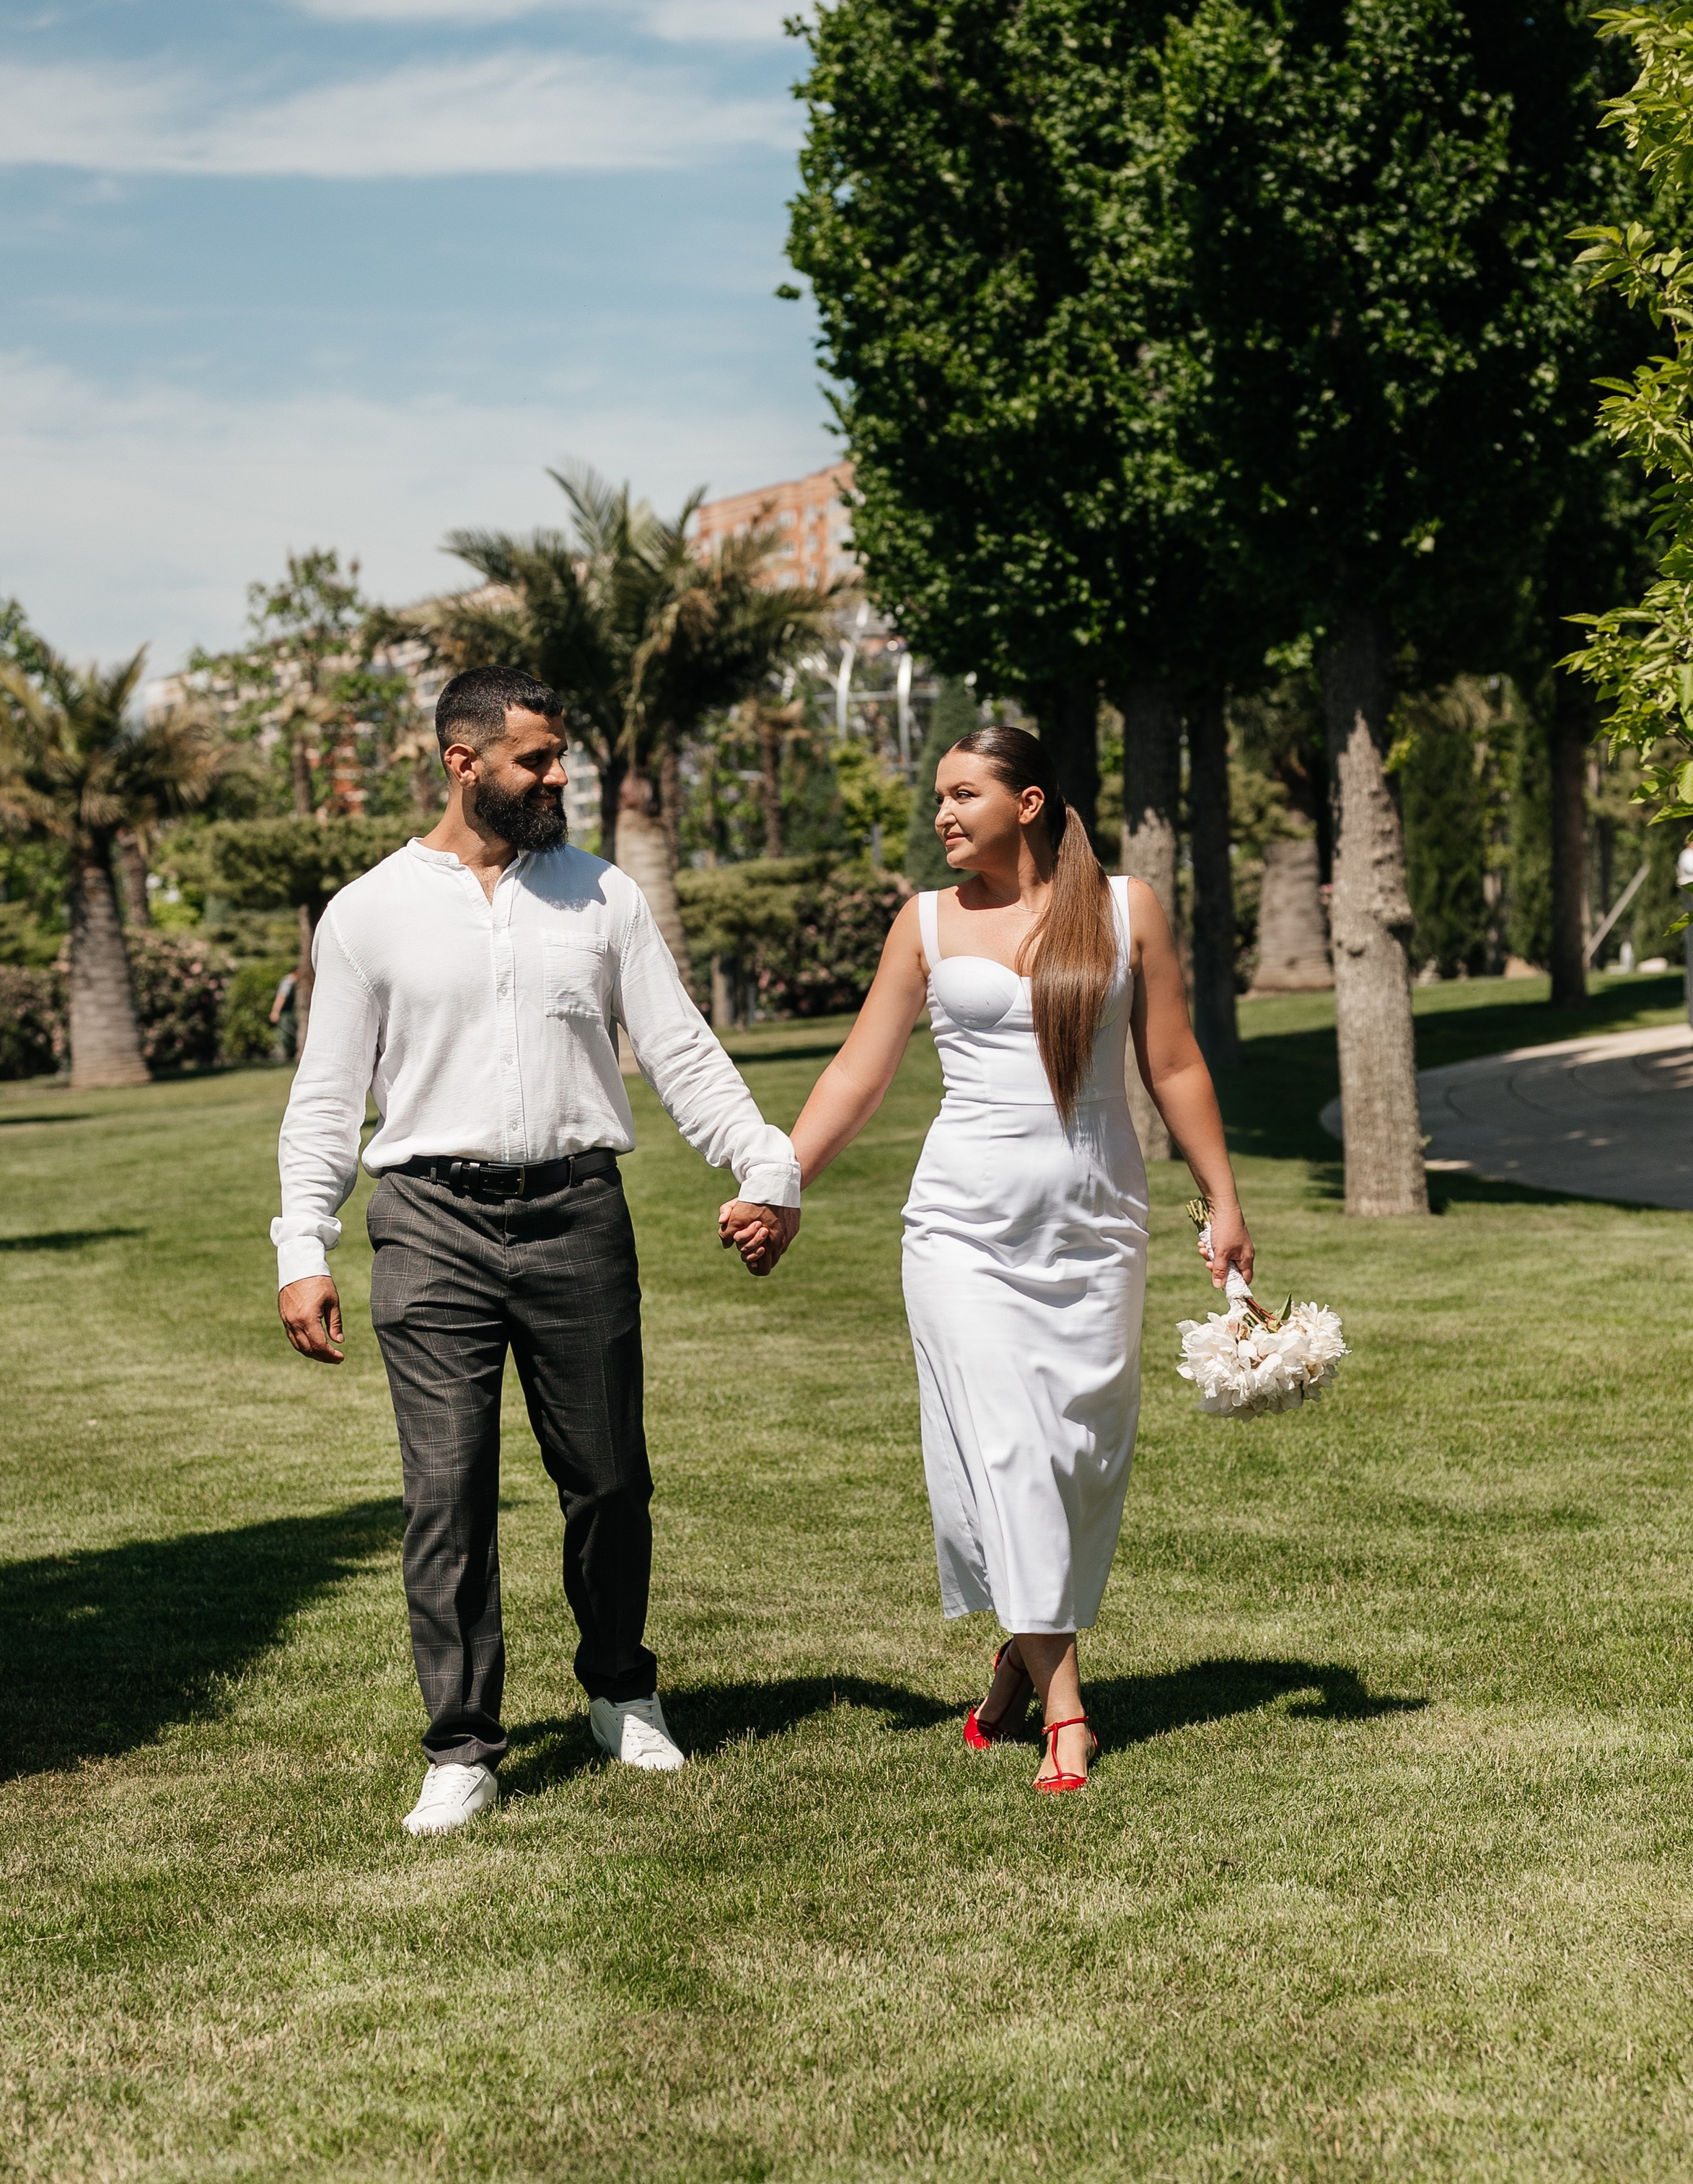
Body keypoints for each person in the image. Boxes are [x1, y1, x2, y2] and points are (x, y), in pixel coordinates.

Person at [274, 665, 800, 1836]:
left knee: (609, 1476)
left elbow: (679, 1051)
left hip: (578, 1214)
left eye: (562, 756)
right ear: (463, 765)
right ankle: (462, 1744)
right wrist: (299, 1243)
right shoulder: (366, 914)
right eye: (536, 760)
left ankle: (621, 1688)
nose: (560, 777)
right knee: (445, 1493)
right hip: (428, 1223)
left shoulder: (602, 896)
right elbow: (325, 1097)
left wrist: (762, 1162)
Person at [724, 725, 1252, 1794]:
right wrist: (779, 1185)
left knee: (1077, 1456)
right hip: (961, 1228)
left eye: (964, 794)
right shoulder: (922, 923)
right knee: (1008, 1447)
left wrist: (1223, 1198)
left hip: (1095, 1223)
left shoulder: (1124, 908)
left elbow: (1175, 1062)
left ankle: (1019, 1655)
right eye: (938, 800)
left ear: (1030, 801)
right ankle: (1068, 1715)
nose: (944, 816)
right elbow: (859, 1076)